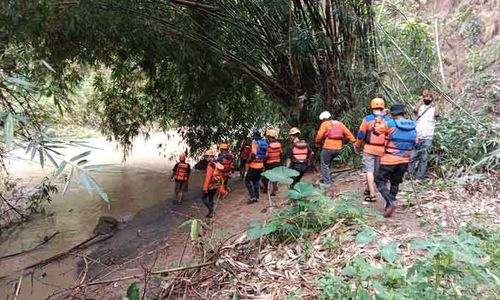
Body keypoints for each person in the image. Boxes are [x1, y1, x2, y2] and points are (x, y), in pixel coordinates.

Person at [375, 103, 417, 218]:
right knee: (395, 182)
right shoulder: (414, 126)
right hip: (404, 160)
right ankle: (390, 204)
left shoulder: (390, 124)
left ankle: (390, 201)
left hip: (389, 159)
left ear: (393, 115)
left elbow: (376, 130)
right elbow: (416, 141)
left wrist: (381, 117)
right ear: (404, 113)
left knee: (379, 180)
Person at [354, 97, 391, 202]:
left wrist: (357, 144)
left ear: (372, 106)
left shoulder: (367, 119)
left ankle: (372, 194)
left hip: (369, 148)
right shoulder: (387, 120)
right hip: (382, 149)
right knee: (376, 172)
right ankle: (368, 189)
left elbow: (361, 134)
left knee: (369, 171)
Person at [314, 111, 357, 185]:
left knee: (324, 164)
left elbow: (319, 135)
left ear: (324, 119)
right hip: (338, 148)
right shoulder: (339, 123)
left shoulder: (325, 124)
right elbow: (348, 133)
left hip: (328, 147)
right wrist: (354, 141)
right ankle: (328, 178)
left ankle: (327, 182)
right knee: (328, 163)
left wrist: (317, 143)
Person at [410, 90, 439, 180]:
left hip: (428, 137)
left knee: (424, 158)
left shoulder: (433, 109)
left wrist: (436, 102)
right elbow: (415, 110)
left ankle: (419, 177)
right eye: (426, 97)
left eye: (429, 97)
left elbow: (437, 114)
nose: (427, 99)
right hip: (417, 135)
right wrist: (422, 98)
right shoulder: (421, 107)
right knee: (412, 157)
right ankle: (410, 175)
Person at [201, 149, 226, 218]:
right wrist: (221, 186)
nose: (206, 158)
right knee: (211, 199)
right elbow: (220, 175)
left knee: (203, 198)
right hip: (216, 184)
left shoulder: (210, 165)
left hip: (210, 185)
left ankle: (211, 210)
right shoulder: (216, 164)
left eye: (206, 156)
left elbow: (208, 178)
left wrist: (205, 188)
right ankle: (210, 213)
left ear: (210, 156)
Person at [245, 131, 268, 203]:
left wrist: (248, 161)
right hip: (261, 165)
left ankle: (253, 197)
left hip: (253, 165)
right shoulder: (264, 143)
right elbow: (267, 155)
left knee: (247, 180)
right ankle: (257, 196)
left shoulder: (255, 142)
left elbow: (253, 155)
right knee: (256, 181)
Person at [261, 129, 282, 196]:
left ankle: (265, 189)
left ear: (269, 136)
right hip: (277, 162)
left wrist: (263, 160)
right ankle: (274, 190)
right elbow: (281, 153)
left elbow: (267, 155)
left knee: (266, 176)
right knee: (275, 176)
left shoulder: (269, 145)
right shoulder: (279, 144)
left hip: (269, 163)